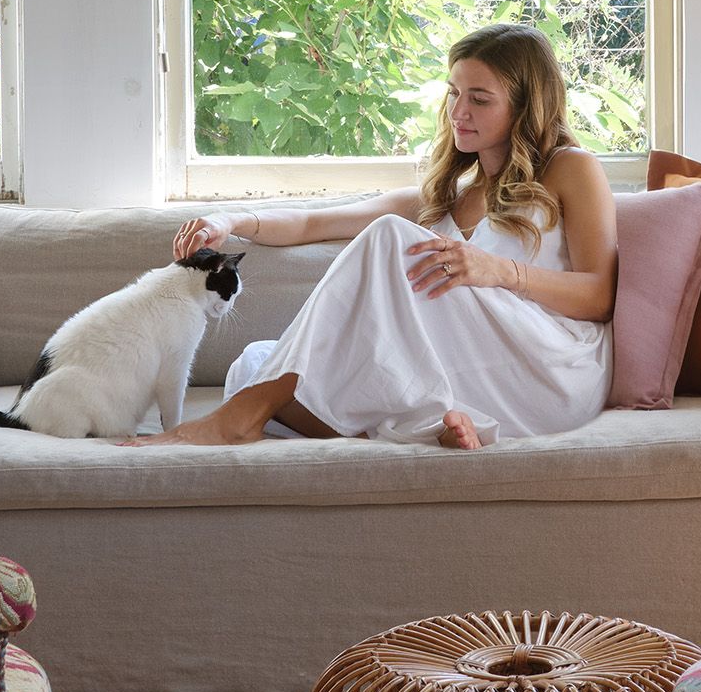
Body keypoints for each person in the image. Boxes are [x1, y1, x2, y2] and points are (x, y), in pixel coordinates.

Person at [133, 22, 618, 451]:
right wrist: (231, 221)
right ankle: (424, 431)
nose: (458, 111)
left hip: (551, 370)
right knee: (254, 364)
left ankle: (241, 418)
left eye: (479, 99)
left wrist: (499, 271)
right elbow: (313, 223)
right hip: (474, 371)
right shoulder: (444, 199)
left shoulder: (570, 168)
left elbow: (600, 296)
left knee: (386, 237)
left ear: (525, 105)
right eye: (453, 93)